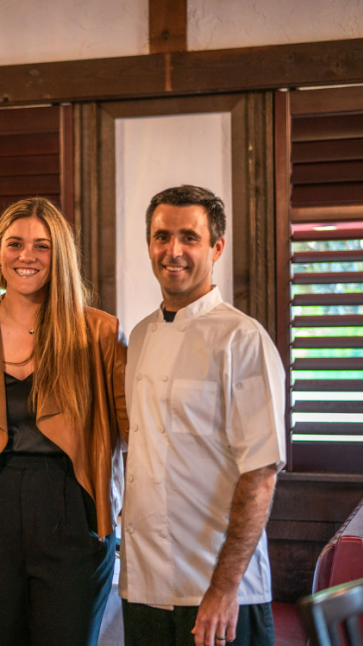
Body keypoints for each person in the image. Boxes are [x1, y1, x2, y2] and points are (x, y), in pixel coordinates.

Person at [0, 196, 128, 646]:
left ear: (59, 255)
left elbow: (136, 439)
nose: (27, 256)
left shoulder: (99, 332)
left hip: (74, 515)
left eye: (42, 246)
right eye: (16, 243)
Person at [119, 185, 286, 646]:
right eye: (162, 237)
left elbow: (261, 473)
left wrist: (225, 587)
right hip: (144, 587)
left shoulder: (243, 339)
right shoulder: (138, 337)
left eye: (189, 237)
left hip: (220, 595)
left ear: (217, 247)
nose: (174, 251)